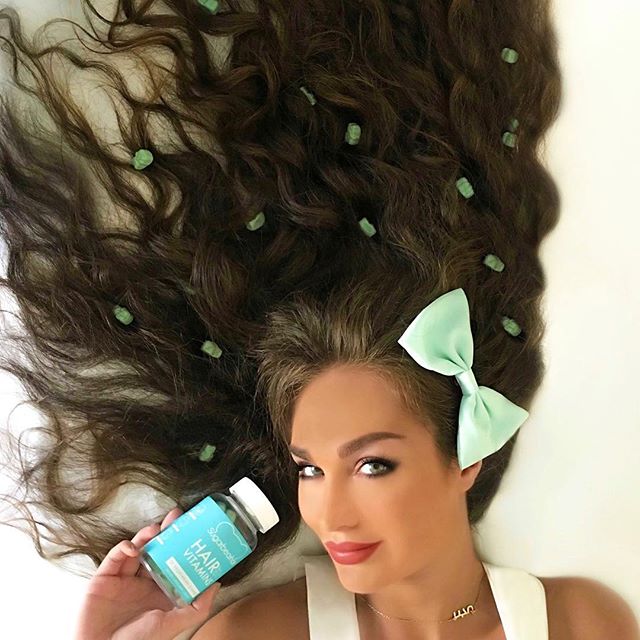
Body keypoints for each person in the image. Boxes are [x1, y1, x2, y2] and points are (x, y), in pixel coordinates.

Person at [0, 1, 637, 639]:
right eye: (309, 468)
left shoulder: (581, 622)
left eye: (373, 465)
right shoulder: (255, 634)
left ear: (465, 458)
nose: (330, 514)